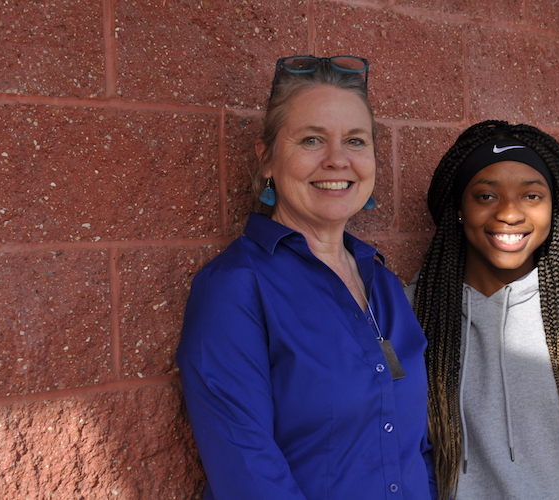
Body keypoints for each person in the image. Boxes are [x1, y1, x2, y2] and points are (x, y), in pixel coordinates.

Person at [176, 55, 438, 500]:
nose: (337, 160)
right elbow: (247, 472)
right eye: (312, 139)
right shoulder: (236, 288)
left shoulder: (384, 284)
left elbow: (417, 446)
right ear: (267, 161)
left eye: (356, 141)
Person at [406, 120, 559, 500]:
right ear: (458, 208)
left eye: (532, 196)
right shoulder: (413, 309)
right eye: (486, 196)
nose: (509, 213)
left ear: (554, 208)